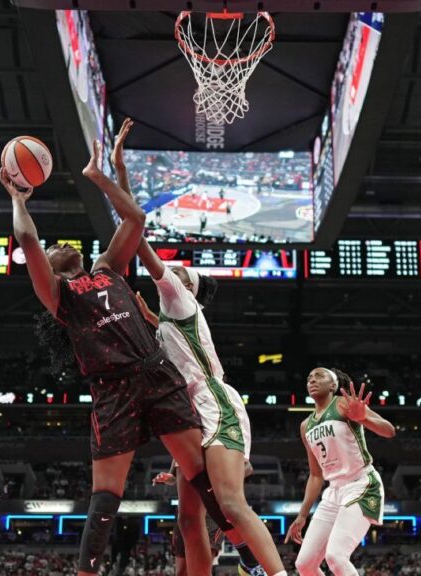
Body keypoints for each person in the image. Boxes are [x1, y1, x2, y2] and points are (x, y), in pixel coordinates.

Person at [2, 117, 232, 576]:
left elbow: (136, 219)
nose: (60, 244)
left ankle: (246, 553)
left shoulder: (108, 266)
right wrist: (17, 199)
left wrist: (103, 175)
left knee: (202, 476)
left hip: (155, 372)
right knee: (106, 497)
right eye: (53, 248)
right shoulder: (59, 296)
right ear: (50, 265)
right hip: (112, 391)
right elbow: (27, 238)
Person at [114, 121, 284, 576]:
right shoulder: (166, 323)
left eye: (177, 270)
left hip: (215, 403)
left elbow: (137, 236)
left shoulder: (180, 298)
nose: (170, 270)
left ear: (186, 286)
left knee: (230, 503)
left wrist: (120, 175)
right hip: (190, 415)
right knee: (189, 519)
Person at [285, 368, 396, 576]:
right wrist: (302, 515)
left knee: (336, 556)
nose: (312, 380)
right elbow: (315, 475)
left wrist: (364, 418)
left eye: (319, 376)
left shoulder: (343, 404)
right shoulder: (305, 426)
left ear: (333, 385)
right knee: (304, 564)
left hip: (361, 484)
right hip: (333, 492)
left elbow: (389, 430)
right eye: (309, 378)